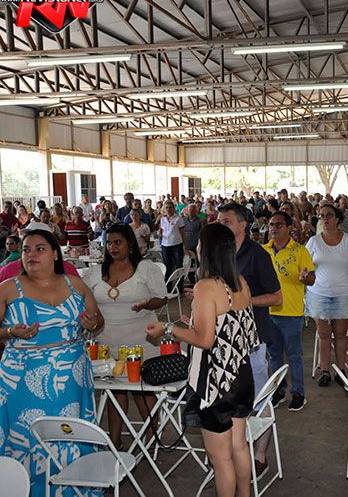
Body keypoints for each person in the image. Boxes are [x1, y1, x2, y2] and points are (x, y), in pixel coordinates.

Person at [146, 224, 259, 497]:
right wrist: (195, 324)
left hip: (216, 383)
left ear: (206, 250)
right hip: (241, 376)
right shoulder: (240, 282)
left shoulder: (206, 287)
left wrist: (169, 328)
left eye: (199, 243)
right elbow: (233, 330)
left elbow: (205, 340)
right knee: (239, 446)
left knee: (220, 459)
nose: (196, 247)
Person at [0, 229, 103, 496]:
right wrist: (11, 332)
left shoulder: (74, 284)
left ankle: (74, 490)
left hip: (71, 381)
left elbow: (98, 321)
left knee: (69, 437)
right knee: (28, 438)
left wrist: (92, 323)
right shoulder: (8, 288)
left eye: (39, 249)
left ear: (55, 254)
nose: (31, 255)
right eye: (26, 250)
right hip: (23, 383)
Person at [84, 223, 168, 448]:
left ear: (129, 244)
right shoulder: (95, 272)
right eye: (109, 243)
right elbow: (84, 300)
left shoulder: (145, 268)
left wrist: (146, 304)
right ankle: (115, 440)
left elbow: (162, 298)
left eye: (118, 242)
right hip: (106, 341)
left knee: (142, 391)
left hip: (142, 340)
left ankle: (152, 438)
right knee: (114, 390)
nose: (112, 247)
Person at [215, 203, 282, 406]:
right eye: (219, 222)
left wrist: (243, 301)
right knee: (232, 395)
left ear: (243, 224)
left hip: (253, 334)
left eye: (227, 222)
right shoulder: (219, 252)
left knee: (259, 395)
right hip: (226, 332)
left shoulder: (257, 255)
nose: (221, 226)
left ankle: (264, 424)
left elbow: (276, 298)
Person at [305, 205, 348, 395]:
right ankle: (325, 371)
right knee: (323, 335)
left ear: (337, 219)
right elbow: (306, 267)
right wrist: (304, 275)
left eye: (329, 215)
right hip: (319, 293)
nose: (325, 219)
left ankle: (341, 370)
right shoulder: (314, 241)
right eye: (321, 216)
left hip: (343, 293)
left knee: (341, 334)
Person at [263, 211, 316, 407]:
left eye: (278, 225)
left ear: (289, 228)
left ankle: (298, 393)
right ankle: (279, 391)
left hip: (292, 313)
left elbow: (312, 279)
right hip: (268, 312)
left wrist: (305, 278)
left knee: (294, 356)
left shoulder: (300, 251)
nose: (273, 228)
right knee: (274, 355)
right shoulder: (263, 251)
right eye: (271, 224)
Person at [158, 200, 189, 282]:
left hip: (177, 245)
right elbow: (161, 231)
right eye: (167, 208)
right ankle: (168, 286)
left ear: (173, 208)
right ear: (164, 209)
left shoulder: (178, 219)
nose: (168, 209)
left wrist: (185, 247)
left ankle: (179, 286)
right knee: (168, 267)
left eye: (170, 207)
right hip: (165, 245)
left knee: (179, 266)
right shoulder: (162, 219)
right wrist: (159, 234)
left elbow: (183, 234)